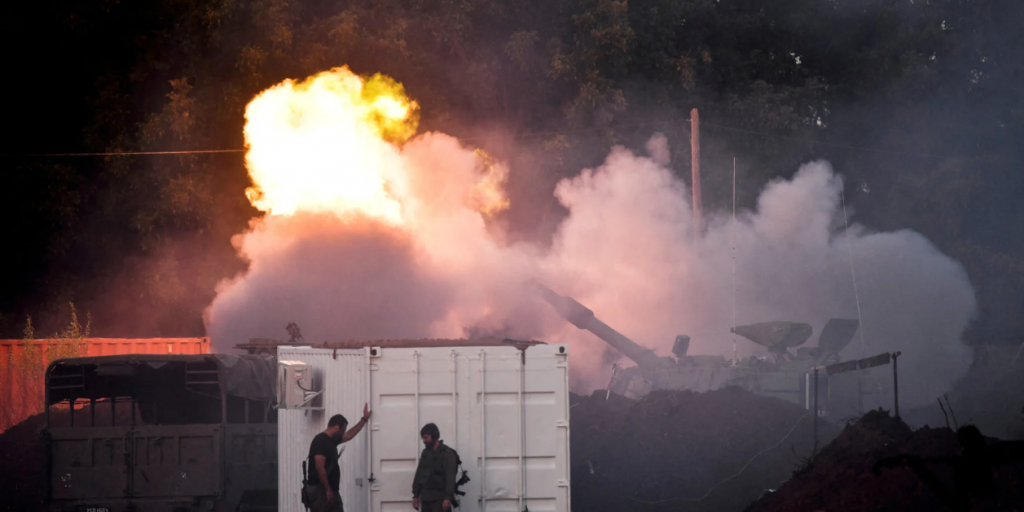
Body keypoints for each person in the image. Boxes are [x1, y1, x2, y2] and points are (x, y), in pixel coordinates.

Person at [305, 404, 371, 512]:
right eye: (342, 430)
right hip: (320, 491)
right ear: (336, 427)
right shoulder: (321, 440)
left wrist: (364, 419)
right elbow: (319, 467)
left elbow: (349, 435)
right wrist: (328, 490)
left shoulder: (331, 440)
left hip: (329, 490)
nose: (343, 432)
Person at [412, 423, 458, 512]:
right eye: (423, 438)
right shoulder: (425, 453)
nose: (424, 441)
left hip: (440, 499)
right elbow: (419, 474)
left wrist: (448, 498)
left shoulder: (447, 454)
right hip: (426, 498)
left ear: (434, 435)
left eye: (426, 437)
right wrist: (416, 495)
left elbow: (450, 478)